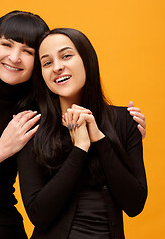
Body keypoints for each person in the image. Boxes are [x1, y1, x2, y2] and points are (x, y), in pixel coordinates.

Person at [0, 10, 146, 239]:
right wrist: (2, 149)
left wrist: (124, 130)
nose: (15, 57)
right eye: (7, 44)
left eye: (27, 51)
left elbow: (81, 127)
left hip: (8, 229)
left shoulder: (37, 111)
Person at [17, 28, 147, 239]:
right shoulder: (33, 128)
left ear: (87, 60)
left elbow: (134, 204)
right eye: (47, 63)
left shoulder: (125, 120)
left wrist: (99, 139)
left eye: (66, 56)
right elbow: (38, 214)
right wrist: (80, 148)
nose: (57, 67)